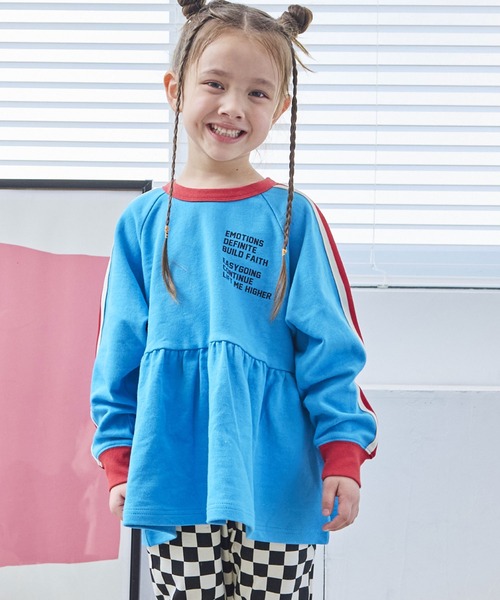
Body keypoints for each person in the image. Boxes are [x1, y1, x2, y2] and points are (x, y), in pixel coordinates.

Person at [90, 0, 378, 598]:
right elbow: (117, 352)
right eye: (215, 84)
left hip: (276, 472)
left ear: (281, 107)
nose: (232, 107)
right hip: (173, 468)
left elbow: (330, 347)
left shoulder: (294, 218)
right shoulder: (141, 222)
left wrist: (343, 454)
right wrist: (118, 456)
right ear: (175, 89)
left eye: (257, 92)